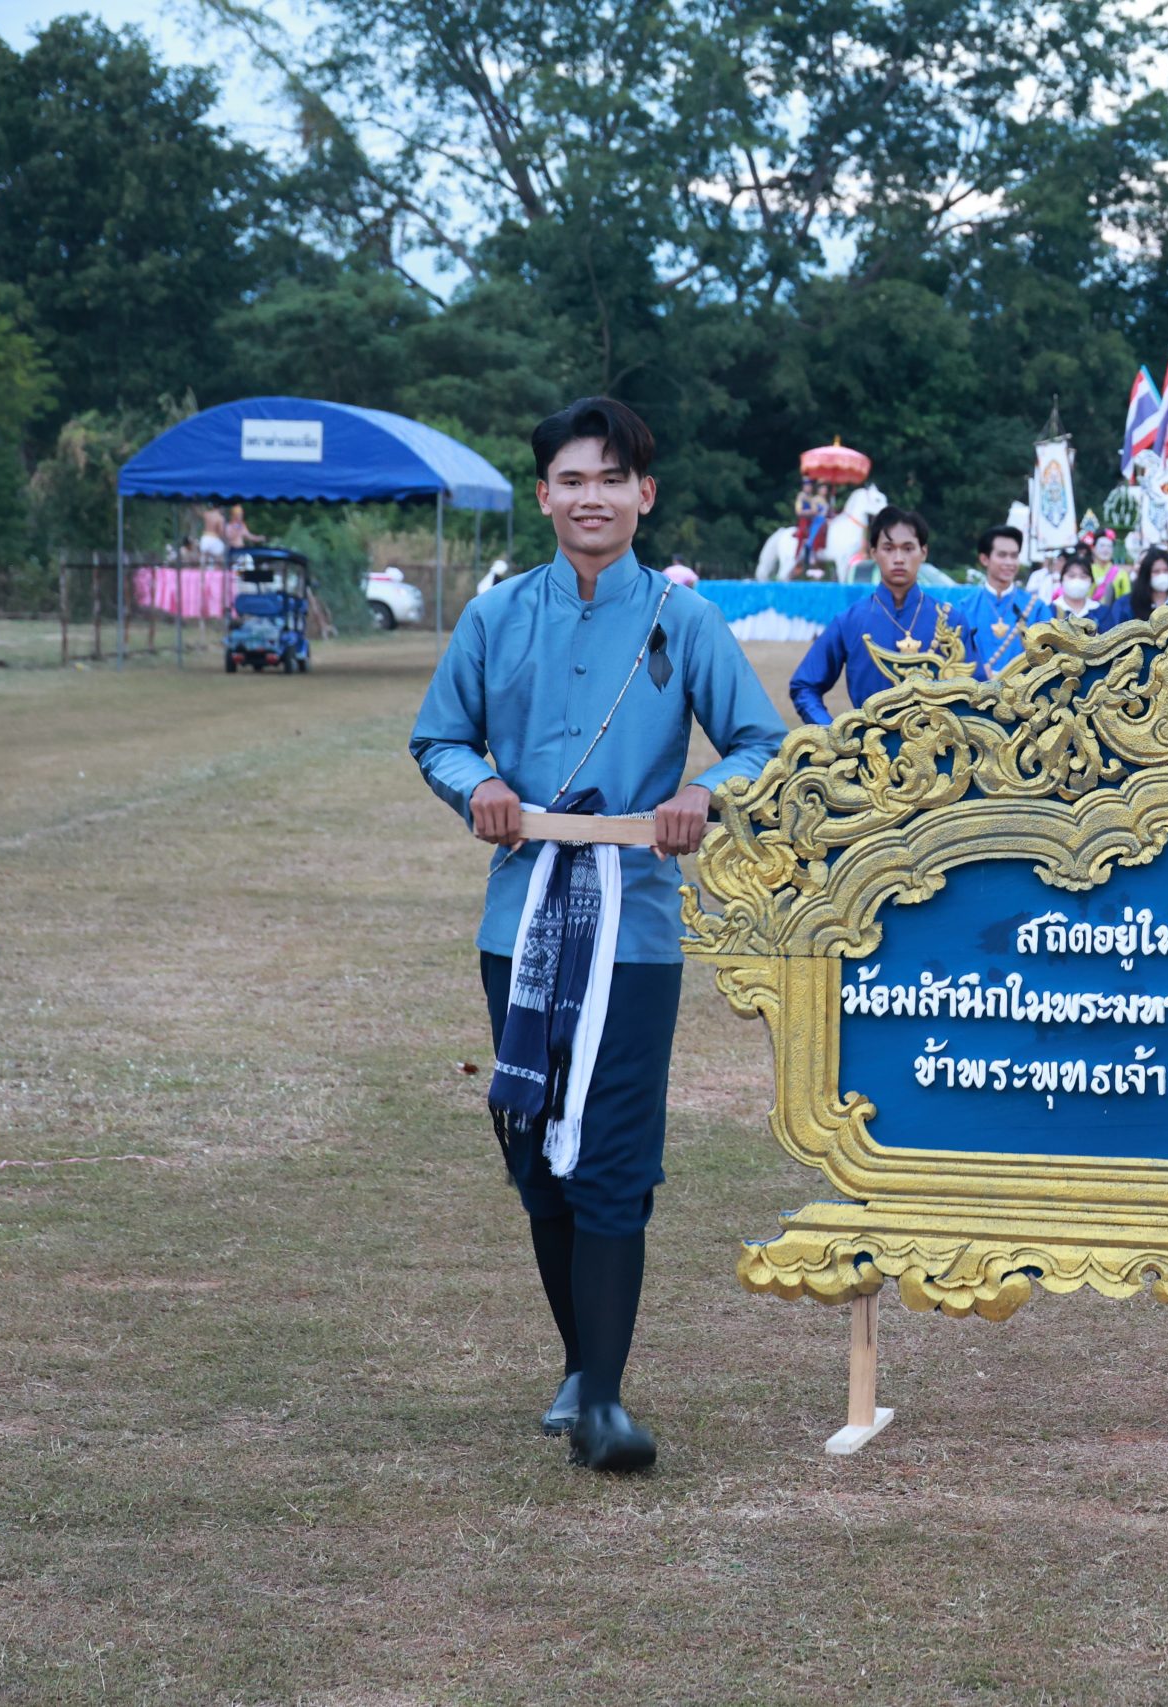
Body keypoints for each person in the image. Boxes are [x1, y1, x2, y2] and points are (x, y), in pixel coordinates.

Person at [408, 397, 786, 1473]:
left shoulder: (683, 620)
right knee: (535, 1145)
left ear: (644, 495)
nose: (592, 498)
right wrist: (476, 784)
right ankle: (581, 1365)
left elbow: (762, 742)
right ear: (544, 495)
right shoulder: (495, 618)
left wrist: (705, 793)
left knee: (611, 1147)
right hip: (520, 920)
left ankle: (607, 1404)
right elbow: (438, 738)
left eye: (612, 480)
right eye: (572, 480)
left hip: (636, 928)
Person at [787, 505, 956, 721]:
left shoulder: (950, 620)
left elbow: (976, 691)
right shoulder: (850, 621)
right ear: (873, 552)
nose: (898, 558)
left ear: (923, 552)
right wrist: (834, 733)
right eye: (888, 548)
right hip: (870, 741)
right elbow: (804, 686)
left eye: (908, 548)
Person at [955, 524, 1049, 676]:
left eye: (1014, 556)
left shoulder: (1036, 607)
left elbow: (1048, 658)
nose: (1009, 562)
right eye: (1002, 555)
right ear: (984, 559)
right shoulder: (965, 607)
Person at [1097, 547, 1168, 632]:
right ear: (1146, 574)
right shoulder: (1125, 605)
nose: (1162, 576)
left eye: (1166, 571)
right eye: (1156, 571)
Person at [1046, 553, 1099, 626]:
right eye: (1071, 576)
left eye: (1083, 576)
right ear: (1061, 580)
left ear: (1091, 582)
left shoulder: (1102, 612)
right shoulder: (1050, 610)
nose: (1077, 581)